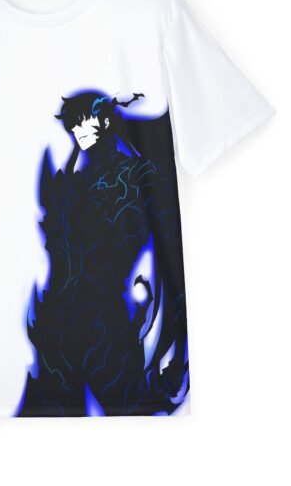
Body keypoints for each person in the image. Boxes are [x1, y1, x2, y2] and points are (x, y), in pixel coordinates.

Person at [16, 90, 190, 416]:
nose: (76, 131)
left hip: (107, 323)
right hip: (59, 322)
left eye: (83, 122)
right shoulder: (74, 181)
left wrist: (178, 351)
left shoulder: (137, 175)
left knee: (130, 411)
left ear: (105, 122)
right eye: (72, 125)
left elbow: (169, 254)